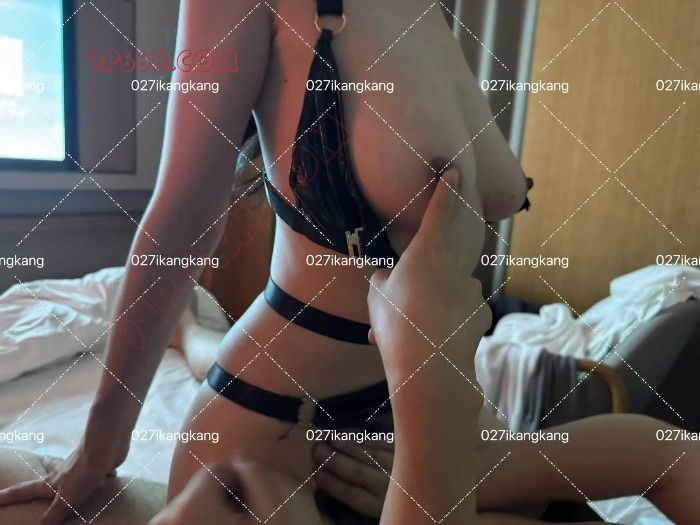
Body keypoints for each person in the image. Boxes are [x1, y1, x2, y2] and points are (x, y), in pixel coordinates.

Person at [1, 2, 698, 524]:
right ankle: (194, 333)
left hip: (438, 420)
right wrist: (100, 449)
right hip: (285, 431)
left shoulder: (428, 11)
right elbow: (181, 216)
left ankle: (194, 331)